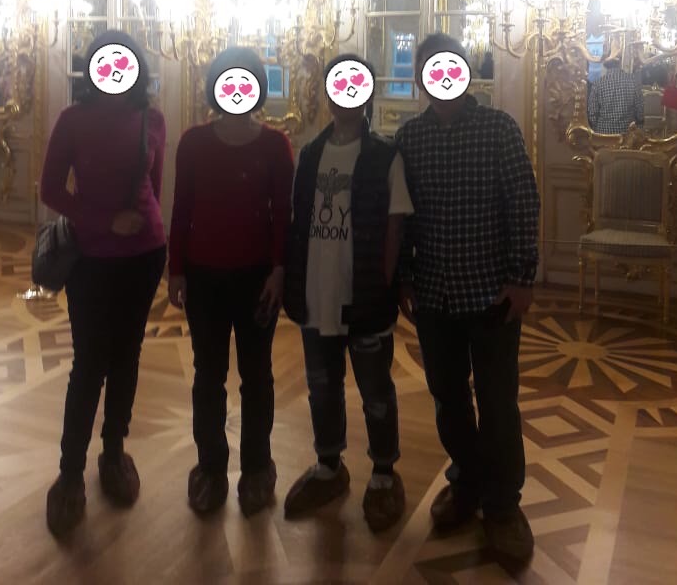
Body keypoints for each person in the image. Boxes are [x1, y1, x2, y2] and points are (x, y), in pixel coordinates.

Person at [395, 33, 539, 564]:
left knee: (498, 401)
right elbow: (402, 215)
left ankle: (502, 506)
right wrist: (404, 278)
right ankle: (468, 481)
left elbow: (523, 204)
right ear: (420, 80)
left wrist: (522, 279)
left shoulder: (499, 128)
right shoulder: (410, 137)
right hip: (435, 294)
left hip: (492, 293)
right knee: (448, 397)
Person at [40, 29, 167, 537]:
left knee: (127, 356)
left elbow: (154, 188)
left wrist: (144, 227)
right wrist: (104, 220)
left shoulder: (153, 119)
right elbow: (50, 190)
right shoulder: (73, 120)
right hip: (92, 257)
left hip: (145, 256)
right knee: (90, 363)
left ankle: (114, 453)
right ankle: (70, 472)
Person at [283, 54, 413, 532]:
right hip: (316, 291)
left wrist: (384, 285)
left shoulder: (384, 155)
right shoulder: (309, 154)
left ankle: (383, 472)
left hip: (365, 294)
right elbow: (297, 221)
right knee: (322, 386)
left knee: (375, 390)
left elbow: (395, 226)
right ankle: (328, 466)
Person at [168, 47, 294, 517]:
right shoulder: (193, 142)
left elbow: (283, 215)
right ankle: (211, 467)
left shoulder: (275, 145)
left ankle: (258, 467)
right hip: (203, 278)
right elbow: (181, 208)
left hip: (258, 280)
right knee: (209, 375)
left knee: (257, 376)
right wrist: (176, 269)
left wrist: (279, 270)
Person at [587, 56, 644, 134]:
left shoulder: (597, 84)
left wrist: (596, 128)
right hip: (627, 133)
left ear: (605, 64)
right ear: (620, 63)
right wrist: (639, 125)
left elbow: (592, 113)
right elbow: (640, 111)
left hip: (603, 134)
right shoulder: (633, 81)